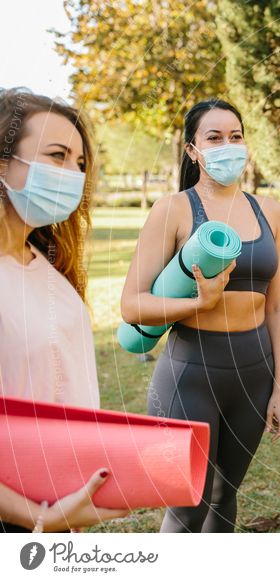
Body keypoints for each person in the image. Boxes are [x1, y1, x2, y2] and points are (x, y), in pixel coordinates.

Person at [121, 98, 280, 532]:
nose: (227, 146)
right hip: (190, 373)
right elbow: (132, 304)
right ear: (192, 150)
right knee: (186, 505)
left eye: (235, 136)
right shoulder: (174, 210)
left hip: (254, 374)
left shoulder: (270, 212)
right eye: (213, 138)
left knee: (223, 499)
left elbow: (277, 305)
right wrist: (199, 302)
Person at [0, 87, 128, 532]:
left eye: (79, 164)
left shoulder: (49, 267)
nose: (72, 174)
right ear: (3, 163)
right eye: (56, 156)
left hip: (62, 509)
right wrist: (40, 518)